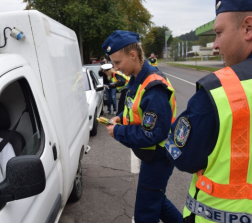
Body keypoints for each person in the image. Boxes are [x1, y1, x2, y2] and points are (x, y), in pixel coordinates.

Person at [164, 1, 252, 222]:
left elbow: (183, 156)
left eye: (219, 33)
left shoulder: (223, 89)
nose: (214, 44)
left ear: (248, 28)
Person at [102, 30, 181, 223]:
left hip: (158, 157)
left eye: (118, 62)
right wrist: (121, 118)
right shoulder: (137, 79)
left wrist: (118, 131)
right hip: (152, 156)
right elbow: (134, 109)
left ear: (133, 55)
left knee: (145, 213)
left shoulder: (154, 88)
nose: (115, 67)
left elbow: (152, 134)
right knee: (156, 201)